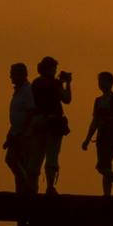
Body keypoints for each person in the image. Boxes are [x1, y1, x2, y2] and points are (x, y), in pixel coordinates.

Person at [26, 57, 72, 195]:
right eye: (54, 68)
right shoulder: (55, 83)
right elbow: (67, 99)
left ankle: (30, 186)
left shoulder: (35, 83)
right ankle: (50, 187)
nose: (55, 71)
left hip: (37, 120)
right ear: (49, 68)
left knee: (37, 154)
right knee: (52, 154)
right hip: (53, 121)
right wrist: (67, 84)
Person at [81, 72, 113, 196]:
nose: (101, 83)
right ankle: (107, 194)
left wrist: (108, 119)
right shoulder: (98, 100)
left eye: (103, 81)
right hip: (101, 137)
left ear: (111, 82)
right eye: (100, 81)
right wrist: (87, 139)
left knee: (101, 166)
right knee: (107, 168)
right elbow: (94, 121)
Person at [3, 62, 34, 193]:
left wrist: (21, 130)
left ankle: (27, 187)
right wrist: (11, 133)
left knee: (20, 161)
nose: (11, 78)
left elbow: (31, 112)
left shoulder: (28, 90)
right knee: (13, 160)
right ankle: (23, 187)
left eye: (13, 75)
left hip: (25, 134)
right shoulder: (18, 91)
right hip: (16, 132)